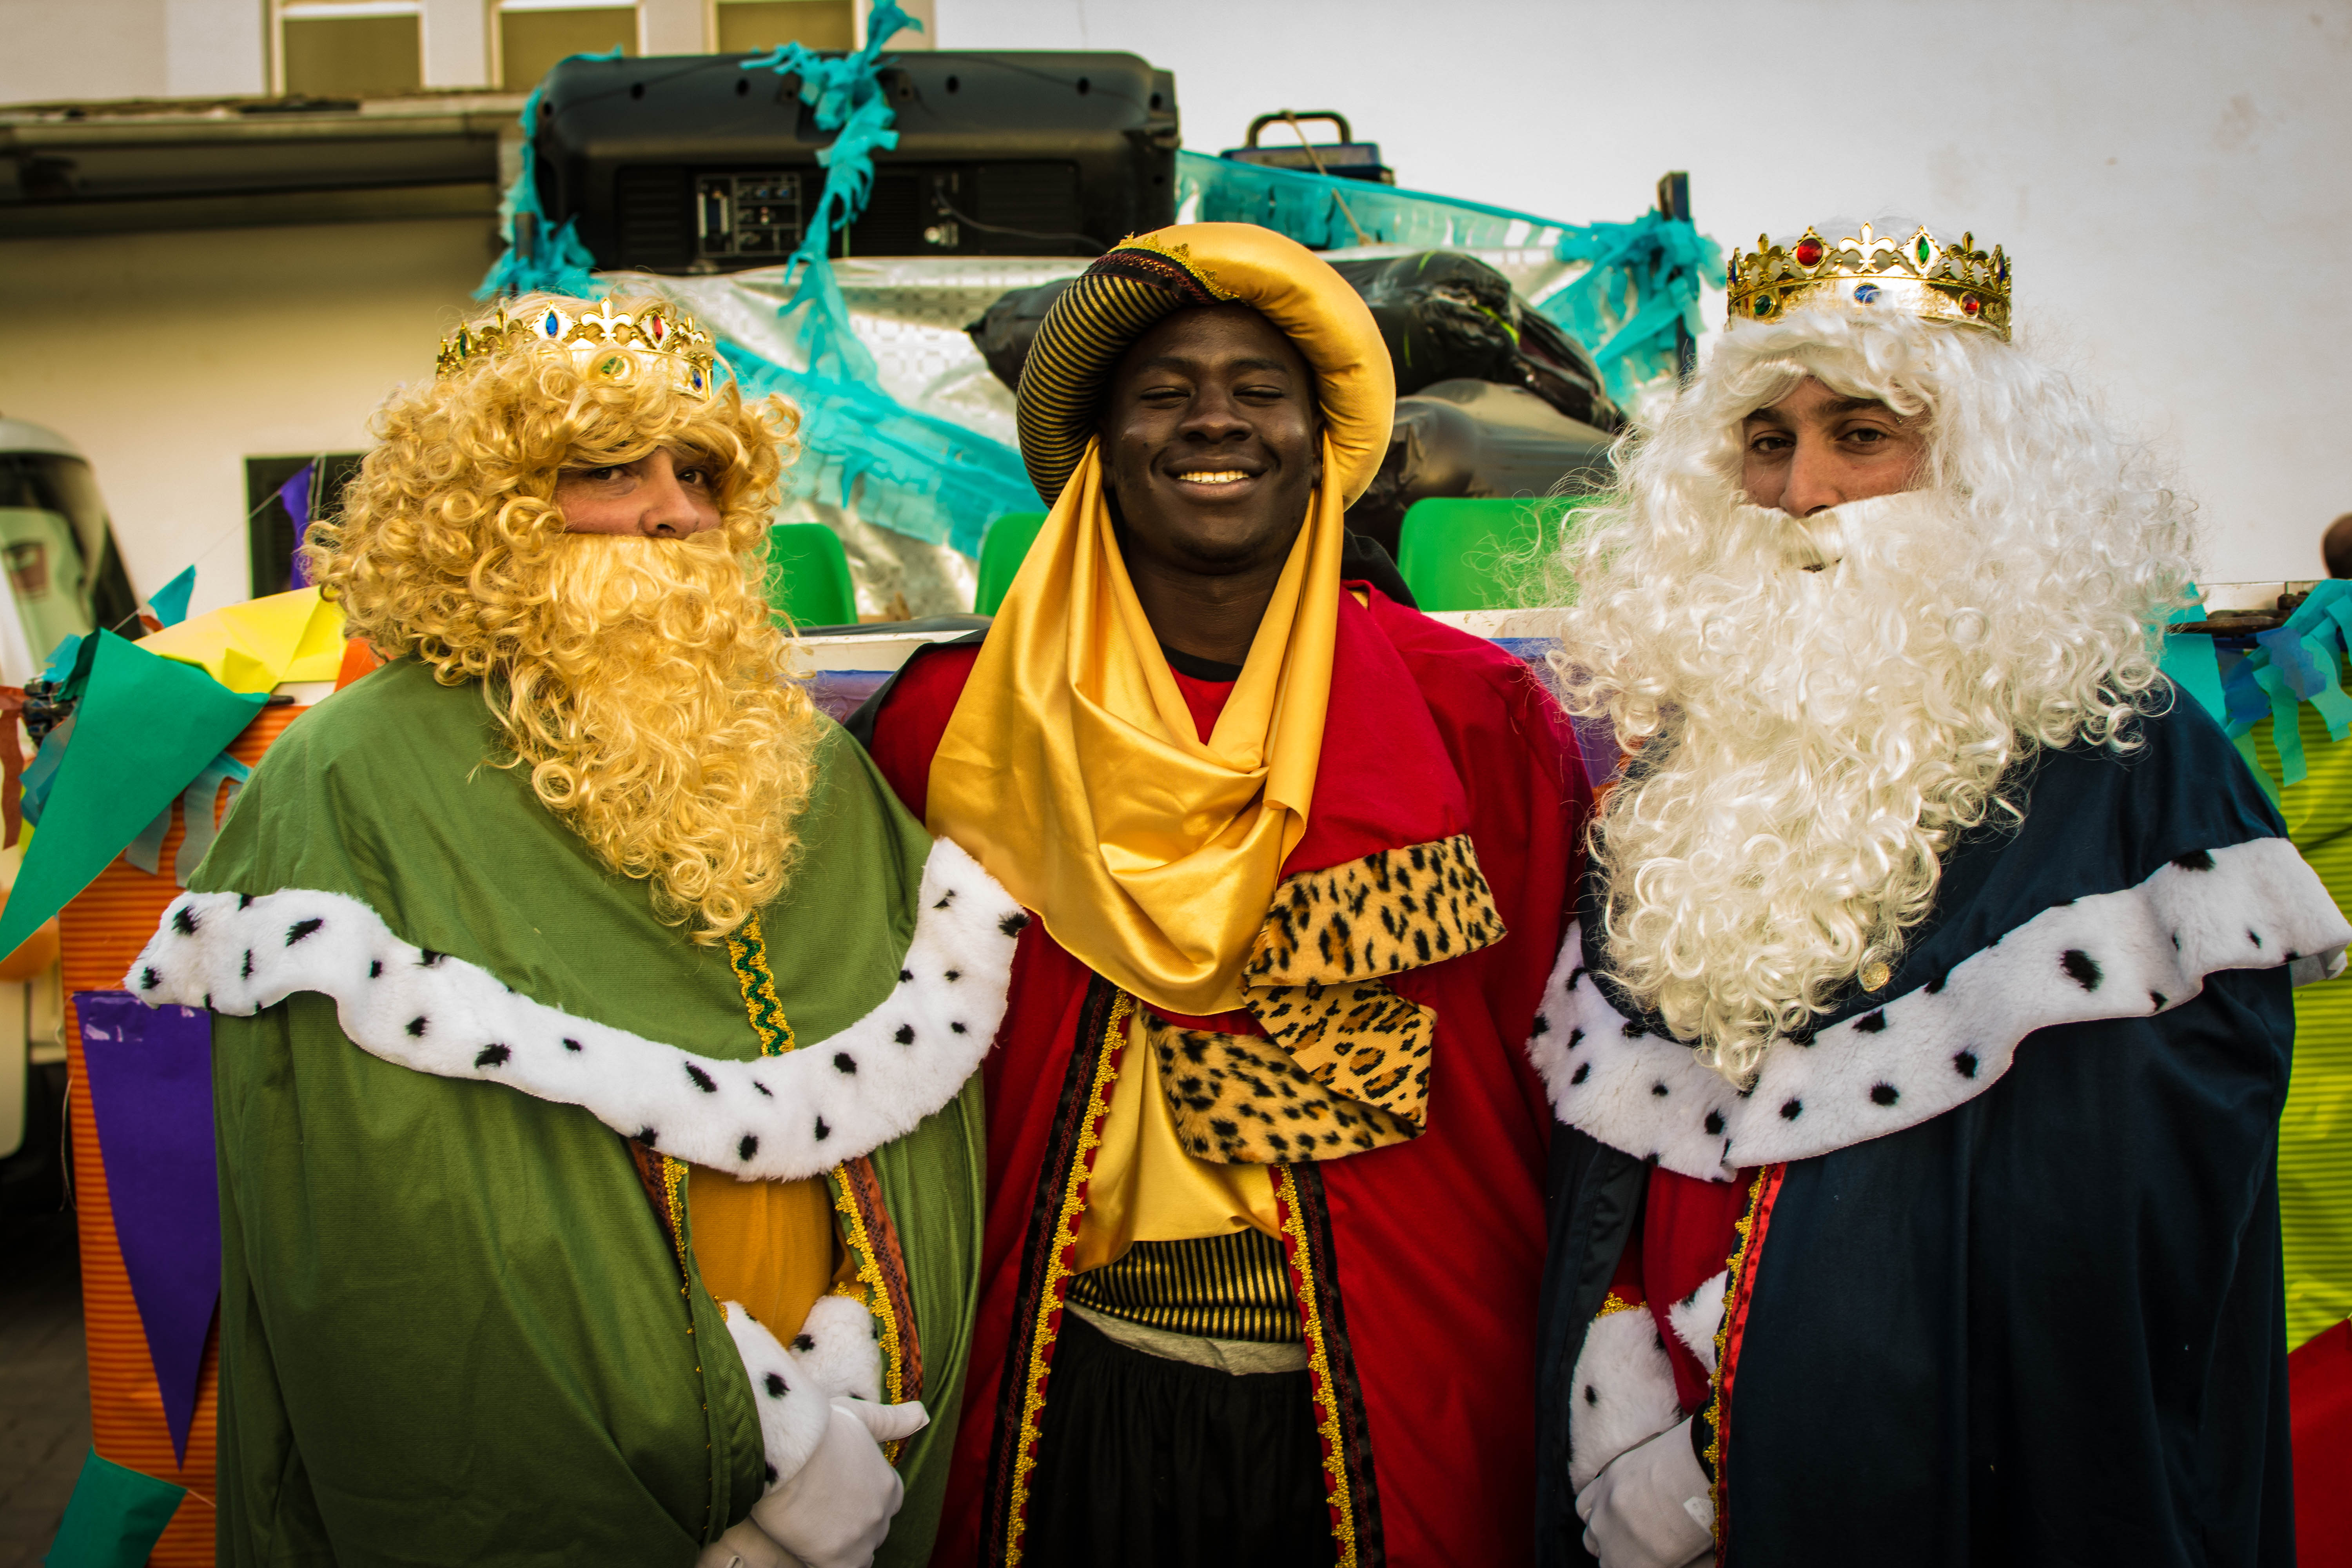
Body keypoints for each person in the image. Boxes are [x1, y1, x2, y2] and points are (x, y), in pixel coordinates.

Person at [120, 294, 1023, 1568]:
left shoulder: (810, 762)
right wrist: (750, 1443)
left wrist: (851, 1418)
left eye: (699, 475)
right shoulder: (350, 776)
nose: (672, 511)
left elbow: (933, 1152)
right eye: (608, 470)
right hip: (561, 1458)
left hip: (864, 1415)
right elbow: (399, 1245)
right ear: (481, 503)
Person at [1532, 219, 2352, 1566]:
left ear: (1986, 473)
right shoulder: (1687, 763)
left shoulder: (2137, 769)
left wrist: (1779, 1397)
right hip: (1634, 1460)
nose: (1801, 492)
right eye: (1767, 442)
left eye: (1861, 436)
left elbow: (2124, 1225)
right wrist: (1634, 1399)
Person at [848, 223, 1590, 1566]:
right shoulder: (956, 726)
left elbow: (1551, 1057)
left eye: (1259, 390)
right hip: (1061, 1384)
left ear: (1320, 441)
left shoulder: (1473, 716)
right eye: (1164, 391)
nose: (1215, 420)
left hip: (1402, 1373)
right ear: (1101, 446)